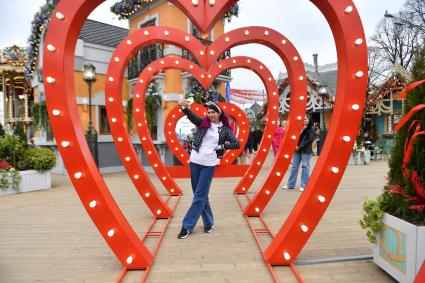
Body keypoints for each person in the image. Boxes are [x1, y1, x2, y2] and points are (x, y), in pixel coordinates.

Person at [177, 99, 240, 239]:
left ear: (219, 113)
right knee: (199, 195)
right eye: (208, 112)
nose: (210, 114)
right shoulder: (203, 123)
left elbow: (236, 143)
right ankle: (209, 222)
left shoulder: (224, 129)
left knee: (199, 195)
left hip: (209, 164)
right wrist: (183, 107)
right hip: (194, 162)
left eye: (213, 112)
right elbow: (192, 116)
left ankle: (187, 226)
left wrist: (221, 147)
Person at [282, 114, 316, 192]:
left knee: (305, 167)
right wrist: (294, 146)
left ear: (309, 120)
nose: (304, 120)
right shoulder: (297, 128)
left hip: (305, 150)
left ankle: (304, 185)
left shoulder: (311, 129)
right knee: (294, 167)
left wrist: (299, 146)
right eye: (303, 119)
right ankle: (290, 184)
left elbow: (309, 140)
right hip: (296, 150)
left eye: (305, 119)